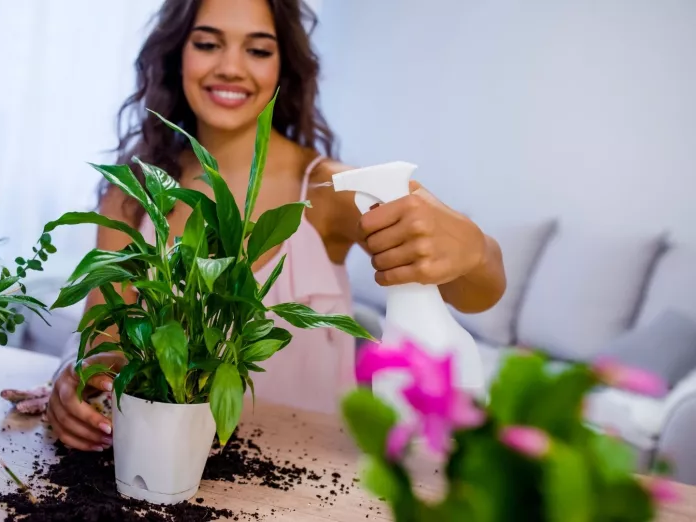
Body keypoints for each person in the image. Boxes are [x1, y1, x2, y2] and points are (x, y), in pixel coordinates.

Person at [46, 0, 506, 452]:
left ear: (284, 67)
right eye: (208, 44)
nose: (230, 67)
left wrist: (476, 249)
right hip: (167, 474)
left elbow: (474, 292)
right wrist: (72, 375)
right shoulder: (129, 197)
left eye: (258, 49)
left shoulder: (329, 190)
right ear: (176, 56)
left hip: (311, 484)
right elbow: (102, 345)